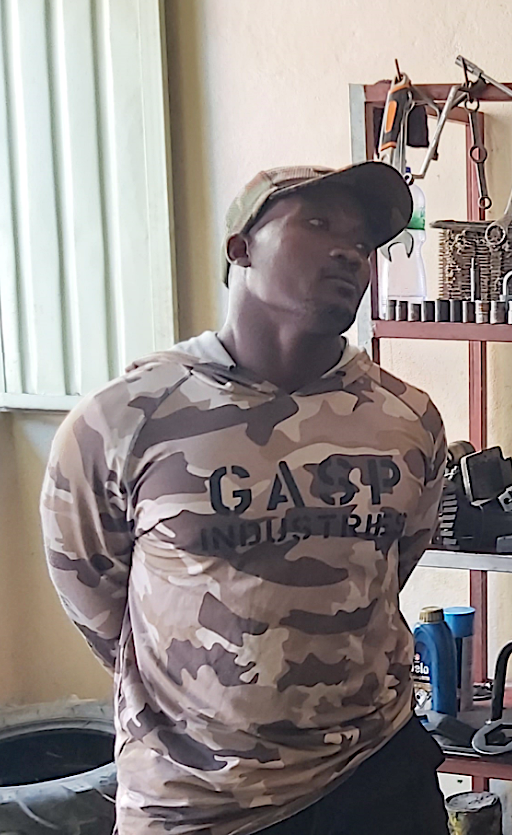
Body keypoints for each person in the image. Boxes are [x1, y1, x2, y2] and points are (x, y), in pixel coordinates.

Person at [41, 162, 450, 835]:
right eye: (318, 224)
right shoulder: (125, 418)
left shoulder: (404, 419)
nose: (350, 250)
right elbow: (97, 599)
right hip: (200, 802)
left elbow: (388, 569)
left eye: (364, 240)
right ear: (240, 248)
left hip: (377, 778)